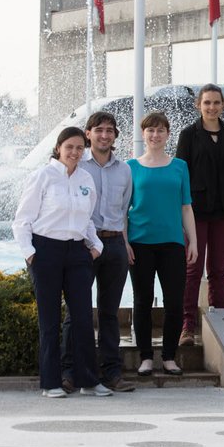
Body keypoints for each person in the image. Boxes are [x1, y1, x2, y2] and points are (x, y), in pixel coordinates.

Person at [12, 126, 110, 398]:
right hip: (46, 251)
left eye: (80, 148)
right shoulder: (42, 176)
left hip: (78, 252)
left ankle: (88, 380)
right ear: (59, 148)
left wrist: (97, 246)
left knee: (82, 318)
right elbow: (22, 220)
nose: (75, 152)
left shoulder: (86, 179)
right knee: (50, 319)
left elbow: (88, 219)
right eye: (70, 147)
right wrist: (30, 255)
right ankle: (51, 382)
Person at [59, 111, 136, 393]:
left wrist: (125, 242)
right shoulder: (79, 167)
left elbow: (124, 210)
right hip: (83, 247)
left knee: (109, 313)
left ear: (115, 135)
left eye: (110, 130)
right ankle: (69, 373)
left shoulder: (125, 170)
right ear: (88, 133)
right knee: (75, 313)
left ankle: (112, 373)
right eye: (98, 130)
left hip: (115, 245)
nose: (104, 135)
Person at [127, 112, 198, 377]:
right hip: (140, 242)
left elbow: (186, 206)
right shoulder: (131, 167)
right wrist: (124, 242)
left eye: (160, 130)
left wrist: (193, 242)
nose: (155, 135)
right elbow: (124, 209)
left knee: (174, 302)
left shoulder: (179, 166)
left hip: (172, 243)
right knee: (142, 300)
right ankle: (145, 356)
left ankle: (169, 356)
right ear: (143, 134)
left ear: (168, 134)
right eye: (150, 130)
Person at [175, 84, 224, 347]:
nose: (212, 107)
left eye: (216, 103)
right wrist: (182, 216)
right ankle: (187, 326)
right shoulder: (188, 135)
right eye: (207, 103)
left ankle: (221, 325)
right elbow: (181, 177)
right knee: (192, 270)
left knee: (217, 270)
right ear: (198, 105)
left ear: (223, 106)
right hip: (196, 212)